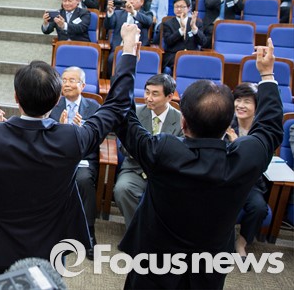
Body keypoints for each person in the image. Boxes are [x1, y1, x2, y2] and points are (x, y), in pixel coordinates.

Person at [0, 23, 140, 277]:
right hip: (53, 245)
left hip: (3, 242)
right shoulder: (72, 137)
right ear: (58, 98)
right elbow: (117, 105)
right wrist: (128, 50)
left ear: (16, 97)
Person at [115, 39, 282, 289]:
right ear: (227, 124)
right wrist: (267, 74)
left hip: (153, 266)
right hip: (209, 269)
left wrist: (128, 54)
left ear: (183, 122)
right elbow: (270, 128)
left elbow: (123, 116)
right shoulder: (246, 158)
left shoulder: (164, 151)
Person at [113, 74, 182, 229]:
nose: (148, 98)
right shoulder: (134, 114)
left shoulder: (180, 120)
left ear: (169, 96)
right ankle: (138, 231)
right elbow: (124, 146)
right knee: (122, 189)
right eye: (147, 92)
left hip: (165, 172)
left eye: (155, 94)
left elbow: (179, 153)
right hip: (135, 168)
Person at [48, 67, 101, 259]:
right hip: (58, 158)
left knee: (83, 180)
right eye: (64, 80)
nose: (67, 84)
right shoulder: (53, 105)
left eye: (72, 80)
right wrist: (61, 129)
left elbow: (98, 137)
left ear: (83, 85)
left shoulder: (94, 107)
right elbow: (45, 135)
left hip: (83, 158)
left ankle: (89, 232)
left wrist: (80, 133)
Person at [224, 83, 270, 260]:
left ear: (257, 106)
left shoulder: (262, 131)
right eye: (238, 100)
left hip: (251, 182)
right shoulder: (225, 124)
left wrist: (238, 145)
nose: (240, 105)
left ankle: (241, 243)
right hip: (227, 179)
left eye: (247, 101)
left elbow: (260, 163)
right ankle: (222, 241)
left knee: (259, 208)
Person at [161, 0, 207, 72]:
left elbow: (203, 42)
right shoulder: (167, 23)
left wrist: (194, 29)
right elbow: (168, 41)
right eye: (176, 7)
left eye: (182, 7)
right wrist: (181, 30)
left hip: (192, 55)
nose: (179, 9)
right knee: (181, 63)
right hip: (174, 55)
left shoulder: (196, 22)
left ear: (188, 8)